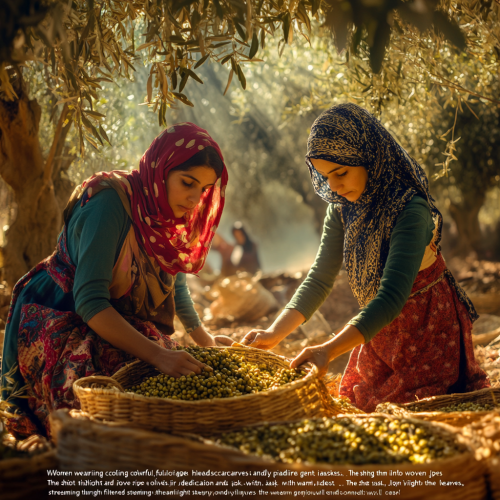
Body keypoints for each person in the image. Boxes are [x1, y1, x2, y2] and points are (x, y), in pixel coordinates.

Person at [242, 103, 489, 412]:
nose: (333, 186)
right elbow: (320, 277)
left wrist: (328, 350)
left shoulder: (410, 210)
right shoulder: (342, 207)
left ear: (369, 157)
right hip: (377, 328)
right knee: (363, 403)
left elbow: (391, 297)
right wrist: (273, 333)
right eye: (325, 177)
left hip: (426, 327)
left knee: (412, 409)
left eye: (341, 173)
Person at [1, 123, 230, 437]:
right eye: (187, 182)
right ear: (161, 169)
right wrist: (160, 356)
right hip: (61, 313)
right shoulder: (109, 204)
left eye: (203, 189)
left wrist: (205, 340)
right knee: (102, 401)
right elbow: (90, 301)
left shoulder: (162, 211)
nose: (194, 199)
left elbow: (171, 277)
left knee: (173, 380)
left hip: (112, 315)